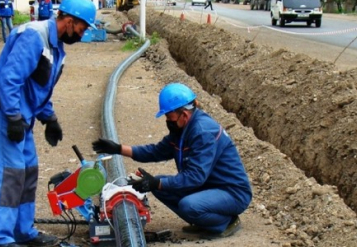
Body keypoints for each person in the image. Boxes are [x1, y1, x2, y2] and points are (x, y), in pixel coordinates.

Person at [0, 0, 97, 247]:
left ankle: (22, 230)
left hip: (24, 114)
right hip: (7, 111)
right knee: (12, 172)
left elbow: (39, 89)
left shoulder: (56, 48)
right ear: (69, 22)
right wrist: (12, 117)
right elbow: (10, 80)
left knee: (29, 170)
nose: (82, 35)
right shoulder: (34, 37)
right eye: (81, 29)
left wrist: (50, 118)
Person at [92, 83, 252, 238]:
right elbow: (156, 151)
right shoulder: (183, 130)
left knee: (188, 205)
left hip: (232, 192)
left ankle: (225, 222)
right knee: (161, 184)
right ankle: (205, 220)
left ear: (184, 114)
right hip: (209, 187)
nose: (168, 121)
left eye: (170, 117)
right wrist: (118, 149)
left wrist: (156, 183)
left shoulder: (203, 133)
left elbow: (194, 177)